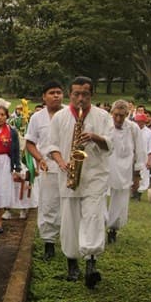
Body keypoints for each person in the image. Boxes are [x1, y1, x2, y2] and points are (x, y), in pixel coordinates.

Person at [48, 76, 113, 289]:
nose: (81, 98)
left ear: (91, 94)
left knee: (93, 218)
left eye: (85, 94)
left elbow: (110, 145)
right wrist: (62, 162)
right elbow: (52, 146)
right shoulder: (59, 117)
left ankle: (91, 264)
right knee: (70, 221)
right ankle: (72, 264)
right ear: (70, 94)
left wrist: (94, 136)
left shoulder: (103, 116)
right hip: (69, 175)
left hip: (95, 176)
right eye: (76, 94)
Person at [25, 80, 64, 261]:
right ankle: (49, 243)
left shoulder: (70, 114)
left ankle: (68, 241)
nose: (56, 95)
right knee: (48, 204)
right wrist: (39, 159)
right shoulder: (37, 118)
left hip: (68, 166)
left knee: (68, 205)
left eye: (59, 92)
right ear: (44, 96)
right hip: (48, 167)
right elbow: (30, 143)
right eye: (52, 92)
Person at [105, 100, 146, 244]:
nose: (118, 119)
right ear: (111, 113)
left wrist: (137, 173)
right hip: (106, 166)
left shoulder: (133, 128)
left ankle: (113, 229)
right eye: (116, 115)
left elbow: (140, 150)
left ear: (127, 114)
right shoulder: (106, 125)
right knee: (100, 195)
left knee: (120, 197)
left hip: (125, 167)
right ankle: (98, 223)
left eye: (122, 116)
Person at [0, 102, 21, 234]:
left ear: (7, 116)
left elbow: (16, 150)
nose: (0, 117)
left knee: (1, 190)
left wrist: (16, 168)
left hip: (4, 162)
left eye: (2, 115)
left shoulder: (12, 131)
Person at [133, 113, 151, 200]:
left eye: (140, 121)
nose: (138, 123)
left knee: (143, 176)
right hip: (134, 156)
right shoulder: (133, 130)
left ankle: (138, 194)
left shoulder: (149, 133)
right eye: (137, 121)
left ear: (144, 122)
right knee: (133, 175)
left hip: (144, 157)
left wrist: (149, 158)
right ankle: (133, 191)